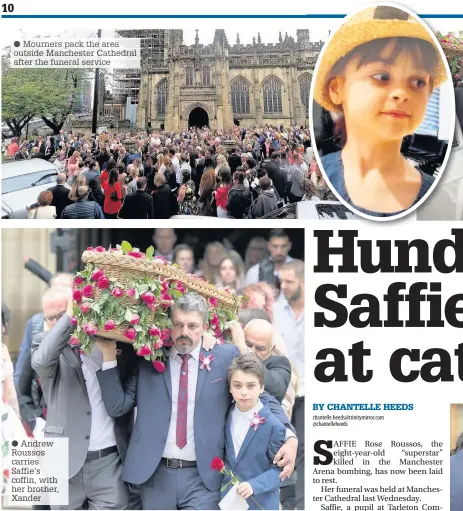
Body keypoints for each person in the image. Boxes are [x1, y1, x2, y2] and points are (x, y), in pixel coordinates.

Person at [96, 292, 297, 510]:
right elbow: (118, 407)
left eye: (192, 326)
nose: (184, 332)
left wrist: (290, 436)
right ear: (168, 325)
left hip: (204, 478)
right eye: (178, 324)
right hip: (153, 476)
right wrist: (108, 357)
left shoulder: (224, 356)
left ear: (205, 326)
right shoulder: (148, 356)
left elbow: (261, 395)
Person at [314, 5, 446, 217]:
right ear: (337, 89)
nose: (401, 93)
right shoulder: (325, 177)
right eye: (382, 77)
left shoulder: (436, 196)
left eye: (418, 81)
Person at [31, 287, 137, 510]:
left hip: (109, 462)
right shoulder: (43, 344)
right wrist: (68, 319)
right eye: (48, 319)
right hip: (64, 462)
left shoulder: (111, 341)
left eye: (59, 316)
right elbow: (40, 363)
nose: (54, 324)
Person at [221, 354, 286, 510]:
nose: (244, 392)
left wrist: (254, 485)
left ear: (261, 387)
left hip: (260, 503)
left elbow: (281, 471)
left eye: (251, 386)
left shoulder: (273, 425)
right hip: (228, 502)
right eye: (237, 385)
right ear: (230, 387)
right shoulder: (224, 415)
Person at [272, 259, 305, 510]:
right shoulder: (275, 310)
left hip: (309, 392)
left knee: (303, 449)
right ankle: (286, 501)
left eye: (289, 281)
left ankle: (299, 504)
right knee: (283, 447)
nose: (283, 285)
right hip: (284, 392)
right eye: (281, 280)